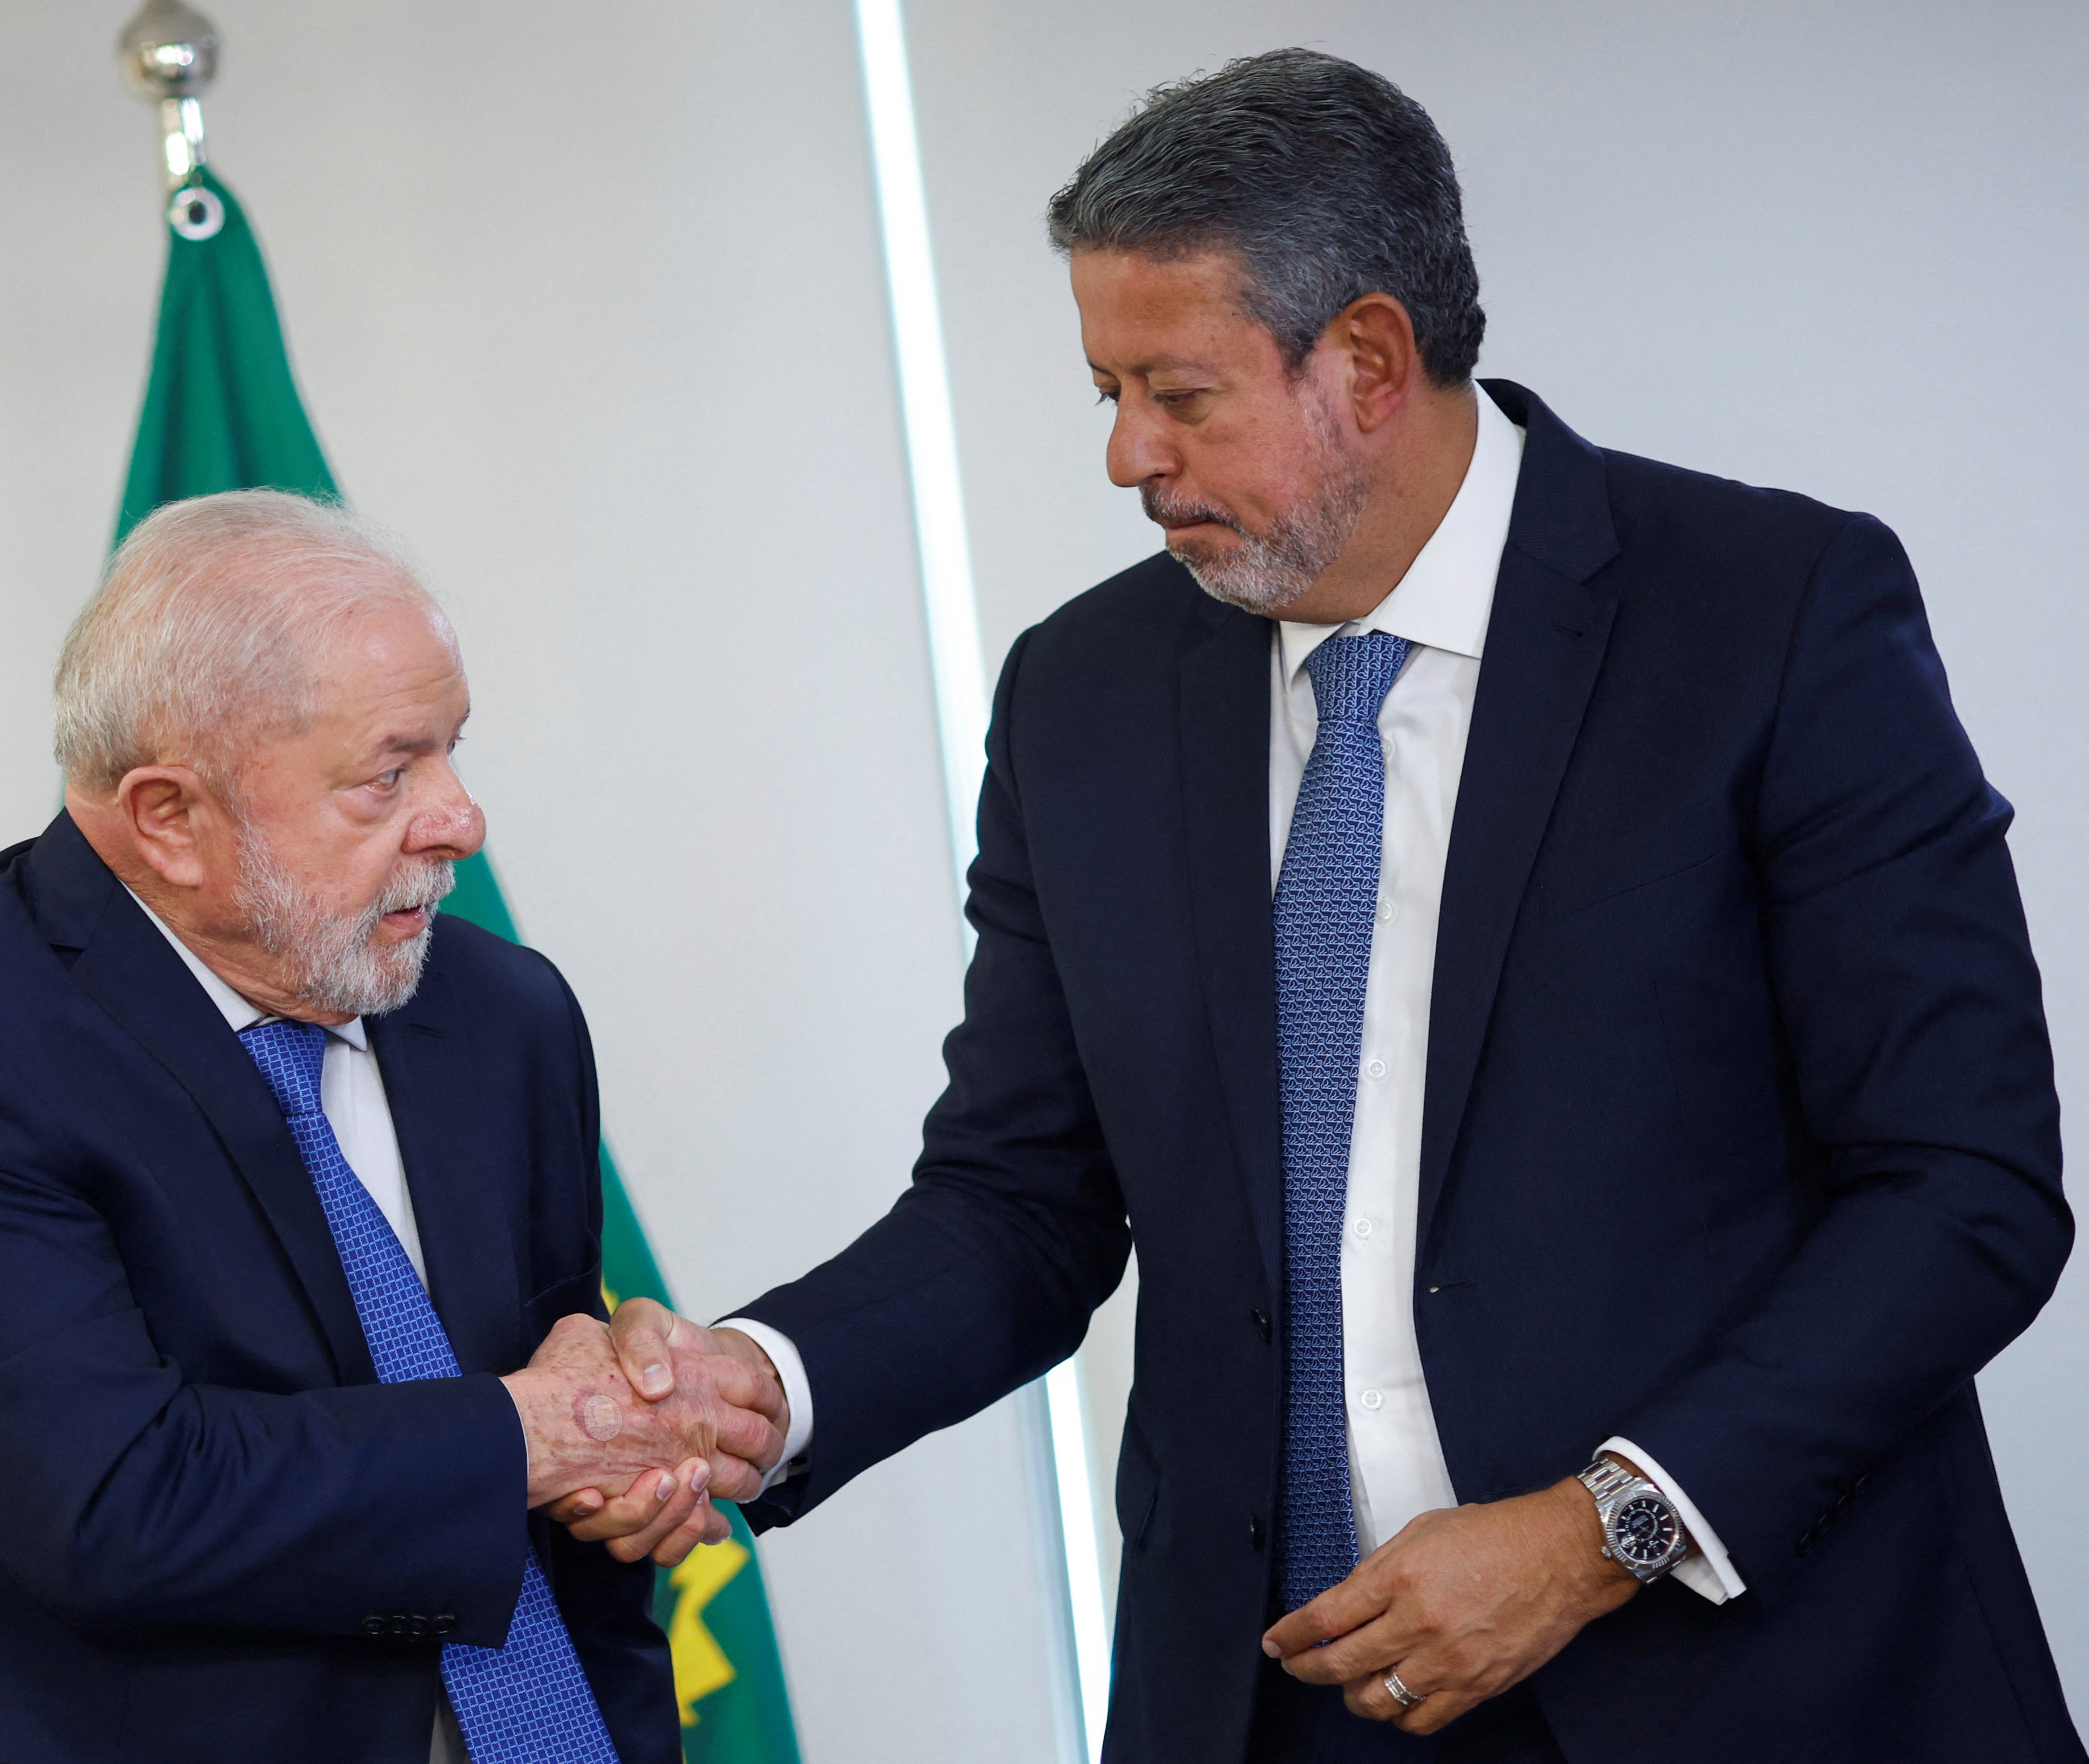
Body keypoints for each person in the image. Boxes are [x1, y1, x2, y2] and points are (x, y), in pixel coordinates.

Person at [583, 48, 2082, 1764]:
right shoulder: (1081, 694)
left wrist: (1606, 1529)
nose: (1126, 454)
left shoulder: (1767, 618)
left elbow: (1958, 1185)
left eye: (1179, 392)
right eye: (1105, 392)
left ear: (1366, 359)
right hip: (1268, 1702)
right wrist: (765, 1385)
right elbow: (1021, 1197)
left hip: (1741, 1679)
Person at [0, 491, 785, 1764]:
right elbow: (117, 1500)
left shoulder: (501, 1014)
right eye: (388, 773)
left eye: (454, 749)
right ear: (169, 819)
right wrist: (537, 1433)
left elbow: (563, 1494)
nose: (460, 818)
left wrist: (621, 1460)